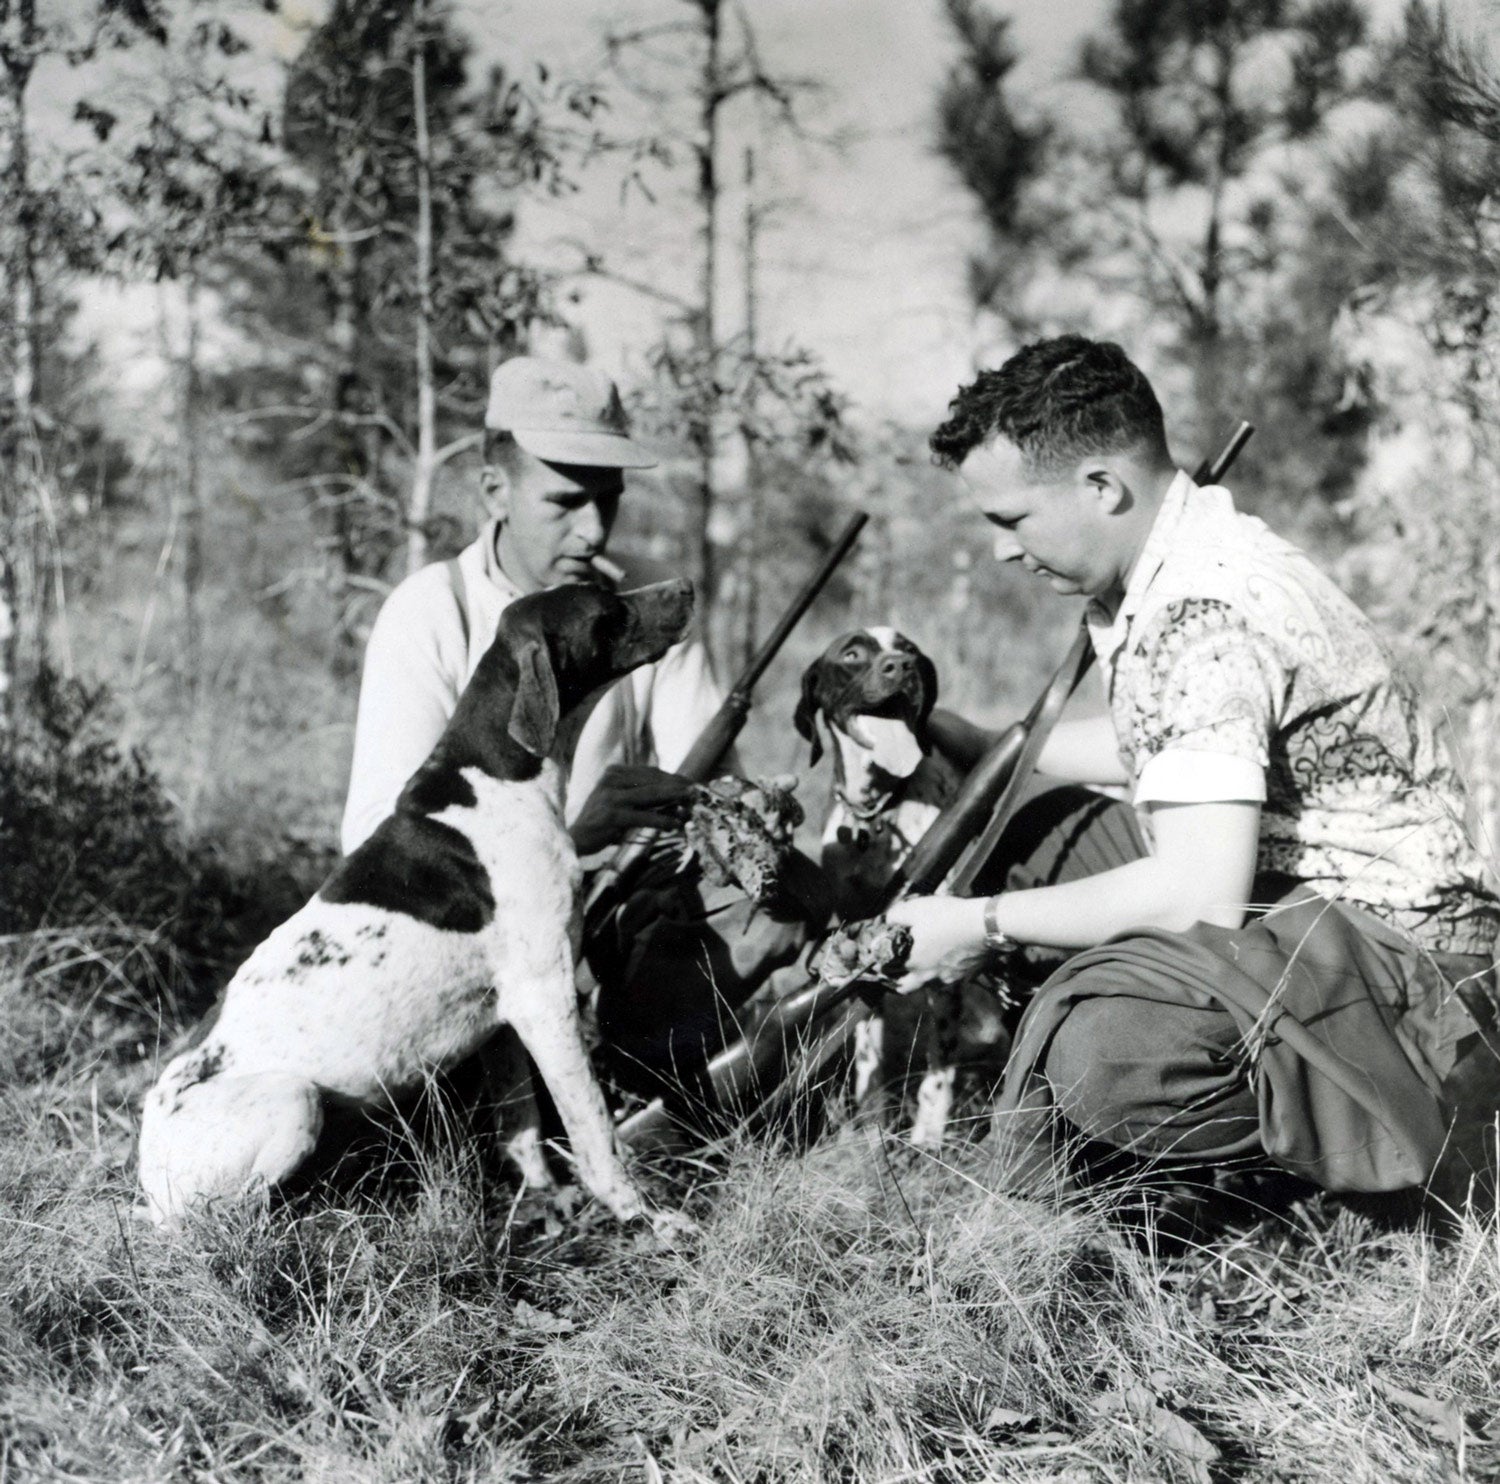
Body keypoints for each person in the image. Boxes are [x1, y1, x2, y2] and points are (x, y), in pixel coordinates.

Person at [887, 335, 1500, 1207]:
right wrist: (953, 732)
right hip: (1293, 897)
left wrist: (975, 924)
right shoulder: (1175, 562)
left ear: (1102, 486)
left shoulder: (1201, 606)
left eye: (1011, 520)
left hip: (1412, 965)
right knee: (1030, 831)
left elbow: (1195, 895)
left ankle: (1346, 1162)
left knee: (1105, 1053)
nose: (1000, 552)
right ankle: (1211, 1100)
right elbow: (1168, 751)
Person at [343, 355, 822, 1105]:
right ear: (494, 491)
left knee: (770, 892)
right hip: (469, 941)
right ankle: (505, 1106)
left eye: (610, 499)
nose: (593, 528)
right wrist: (572, 835)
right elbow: (378, 847)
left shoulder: (641, 607)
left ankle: (650, 1080)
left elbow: (714, 783)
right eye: (565, 502)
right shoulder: (432, 611)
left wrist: (735, 816)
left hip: (613, 920)